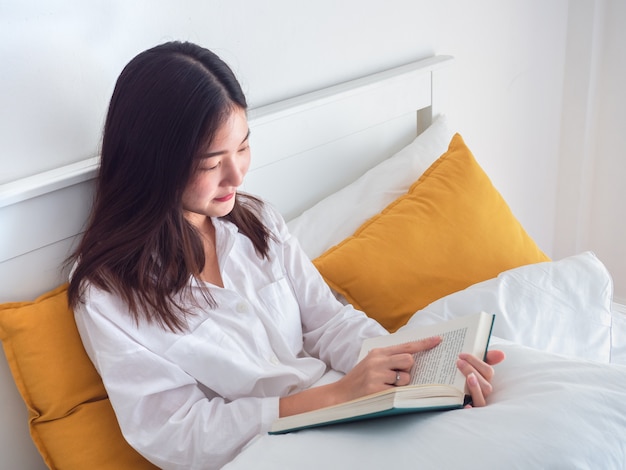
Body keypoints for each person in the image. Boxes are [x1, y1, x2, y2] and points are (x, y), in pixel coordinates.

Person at [68, 41, 505, 470]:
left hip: (350, 409)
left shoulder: (255, 221)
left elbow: (328, 322)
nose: (237, 174)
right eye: (210, 162)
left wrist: (417, 371)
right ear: (153, 162)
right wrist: (335, 396)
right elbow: (178, 436)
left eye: (242, 146)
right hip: (266, 450)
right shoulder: (107, 294)